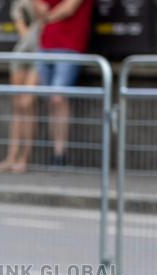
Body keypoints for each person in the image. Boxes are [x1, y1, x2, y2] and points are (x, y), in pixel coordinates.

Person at [35, 0, 94, 167]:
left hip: (70, 45)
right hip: (46, 44)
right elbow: (39, 8)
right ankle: (54, 151)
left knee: (58, 98)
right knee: (50, 100)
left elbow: (68, 8)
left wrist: (47, 17)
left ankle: (60, 153)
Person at [0, 0, 42, 174]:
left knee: (27, 103)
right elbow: (20, 22)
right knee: (17, 106)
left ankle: (25, 157)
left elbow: (45, 17)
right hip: (23, 49)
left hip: (42, 49)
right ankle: (11, 156)